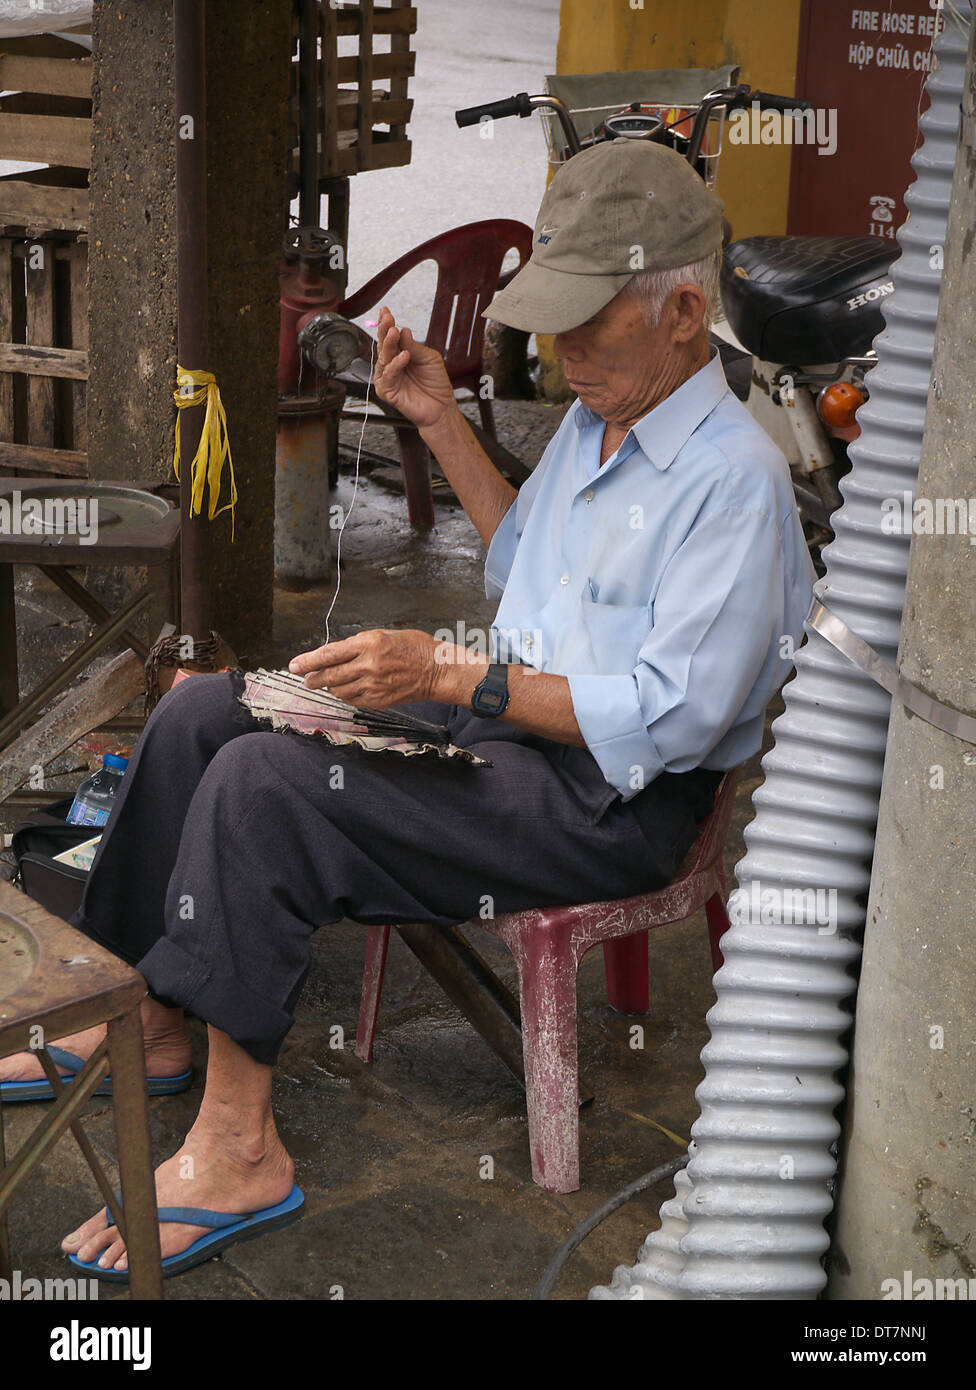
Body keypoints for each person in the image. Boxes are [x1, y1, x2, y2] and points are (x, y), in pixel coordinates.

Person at [0, 139, 815, 1279]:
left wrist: (446, 675)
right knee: (200, 720)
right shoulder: (604, 413)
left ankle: (241, 1149)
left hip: (608, 804)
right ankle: (156, 1017)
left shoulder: (736, 482)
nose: (563, 352)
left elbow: (665, 718)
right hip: (508, 736)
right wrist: (439, 423)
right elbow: (528, 562)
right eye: (558, 324)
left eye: (591, 324)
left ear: (683, 309)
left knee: (267, 786)